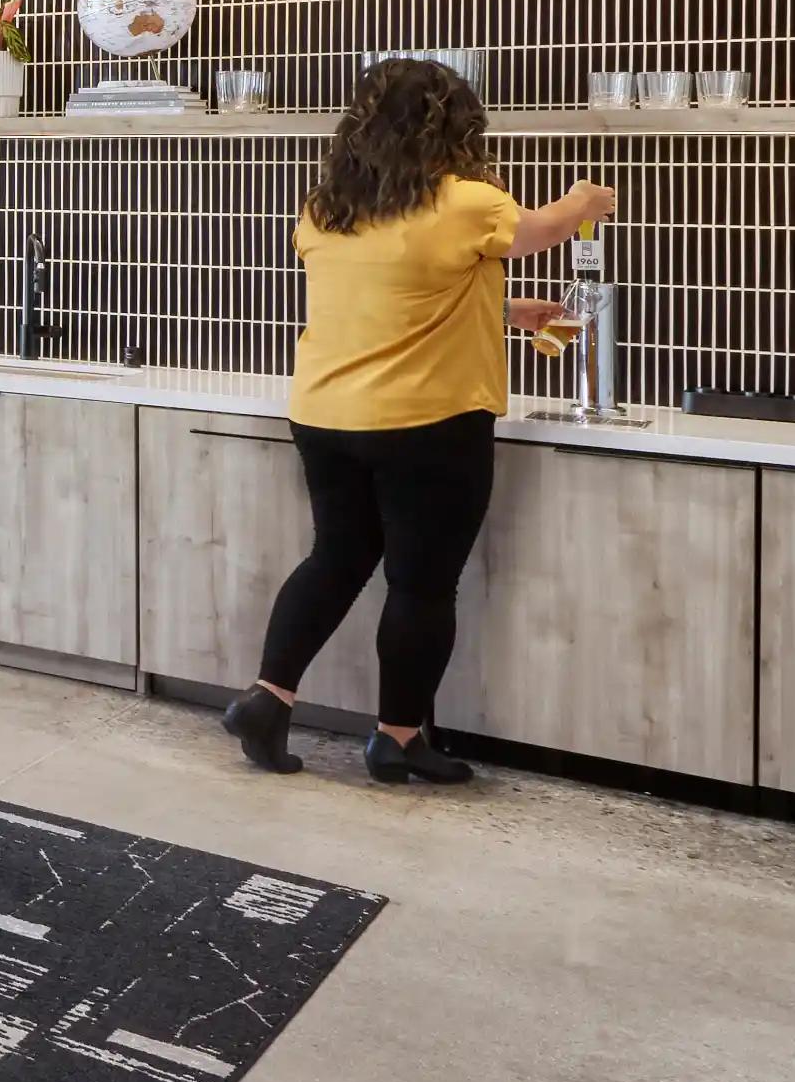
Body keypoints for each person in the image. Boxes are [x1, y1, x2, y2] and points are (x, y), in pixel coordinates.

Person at [223, 59, 613, 785]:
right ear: (453, 122)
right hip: (427, 423)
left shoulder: (326, 207)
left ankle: (266, 699)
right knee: (422, 585)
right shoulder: (470, 200)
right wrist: (583, 198)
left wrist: (503, 311)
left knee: (335, 558)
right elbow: (542, 231)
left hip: (325, 415)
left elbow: (396, 297)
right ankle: (398, 739)